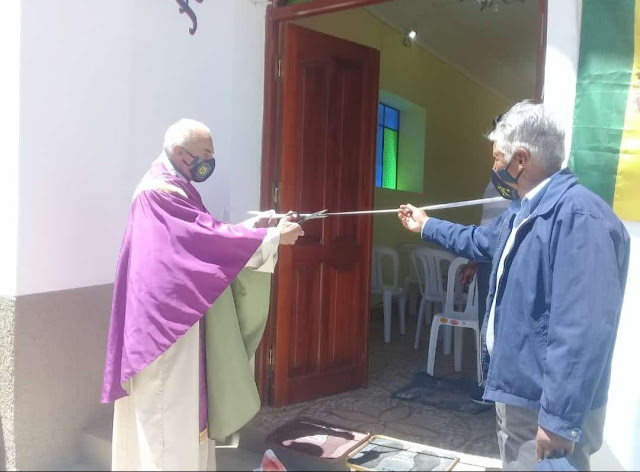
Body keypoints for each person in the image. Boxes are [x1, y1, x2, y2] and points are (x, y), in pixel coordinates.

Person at [398, 102, 630, 470]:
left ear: (520, 160)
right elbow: (478, 241)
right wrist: (425, 225)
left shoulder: (578, 218)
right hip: (520, 396)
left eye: (497, 158)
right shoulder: (525, 212)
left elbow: (583, 330)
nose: (494, 169)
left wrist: (557, 421)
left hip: (545, 410)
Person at [101, 119, 304, 471]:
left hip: (173, 317)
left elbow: (203, 234)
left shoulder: (175, 187)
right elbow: (202, 240)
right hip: (166, 331)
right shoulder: (159, 192)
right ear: (181, 153)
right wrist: (270, 239)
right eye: (204, 153)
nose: (209, 160)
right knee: (169, 420)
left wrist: (253, 228)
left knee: (180, 418)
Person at [459, 114, 511, 406]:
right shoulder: (496, 178)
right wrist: (473, 261)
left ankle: (500, 389)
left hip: (507, 259)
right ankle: (488, 385)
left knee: (503, 324)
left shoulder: (520, 182)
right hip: (486, 260)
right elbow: (486, 223)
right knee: (486, 322)